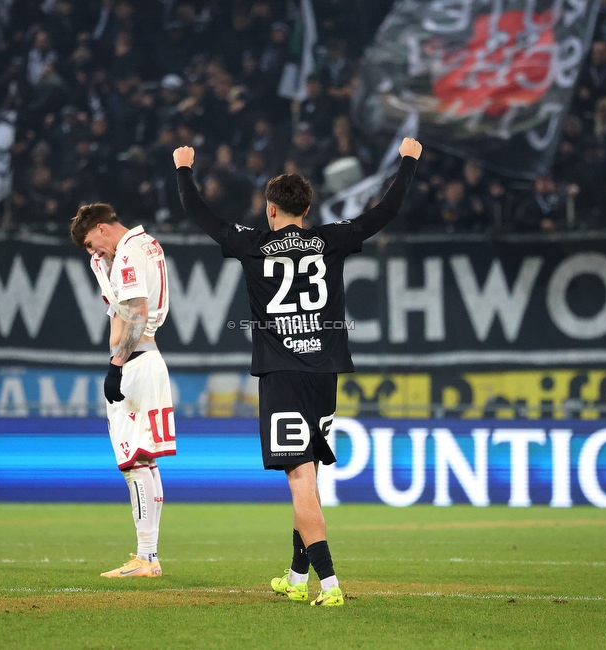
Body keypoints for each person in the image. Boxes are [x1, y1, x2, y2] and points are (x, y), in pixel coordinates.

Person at [174, 137, 422, 606]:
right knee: (306, 474)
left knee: (299, 478)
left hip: (282, 373)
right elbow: (385, 210)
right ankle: (295, 576)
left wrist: (184, 170)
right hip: (324, 372)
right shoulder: (332, 238)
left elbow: (200, 215)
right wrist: (408, 162)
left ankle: (329, 585)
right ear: (306, 208)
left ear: (271, 210)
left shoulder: (254, 245)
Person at [70, 203, 175, 577]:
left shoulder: (129, 251)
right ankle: (148, 554)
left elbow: (138, 312)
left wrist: (115, 365)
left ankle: (146, 558)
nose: (92, 253)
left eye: (90, 243)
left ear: (102, 228)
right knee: (146, 461)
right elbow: (121, 310)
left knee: (134, 464)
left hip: (135, 363)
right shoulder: (143, 246)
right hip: (145, 360)